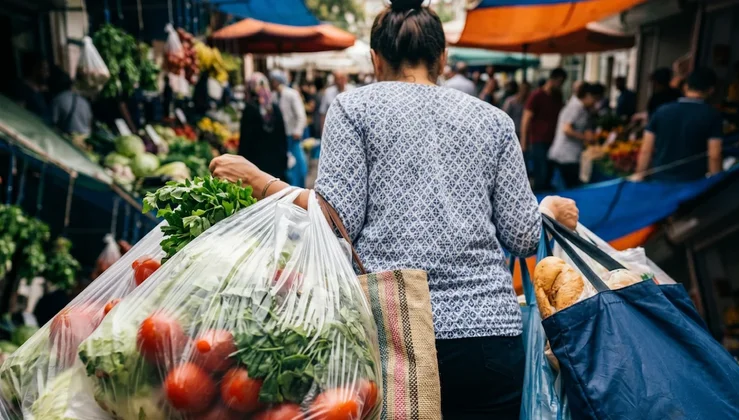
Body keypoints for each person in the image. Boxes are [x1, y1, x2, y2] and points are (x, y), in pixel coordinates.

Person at [209, 1, 579, 417]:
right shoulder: (493, 120)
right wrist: (544, 206)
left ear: (374, 58)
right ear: (443, 58)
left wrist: (262, 182)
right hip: (491, 342)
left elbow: (336, 222)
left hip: (396, 337)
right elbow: (524, 236)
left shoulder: (354, 108)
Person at [635, 68, 723, 182]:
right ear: (711, 90)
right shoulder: (712, 115)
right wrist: (715, 182)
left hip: (660, 181)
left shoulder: (662, 111)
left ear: (685, 87)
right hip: (692, 185)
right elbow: (715, 155)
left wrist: (639, 176)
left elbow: (646, 150)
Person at [548, 83, 604, 189]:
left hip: (570, 155)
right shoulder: (575, 107)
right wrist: (585, 138)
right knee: (570, 187)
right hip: (566, 155)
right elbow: (567, 129)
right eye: (595, 99)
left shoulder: (582, 108)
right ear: (588, 95)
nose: (595, 103)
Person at [520, 68, 567, 191]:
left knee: (549, 174)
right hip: (538, 140)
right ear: (552, 80)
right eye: (559, 82)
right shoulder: (537, 95)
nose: (560, 85)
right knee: (541, 172)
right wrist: (524, 143)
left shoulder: (558, 97)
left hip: (554, 140)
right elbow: (526, 119)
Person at [238, 73, 288, 179]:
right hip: (276, 165)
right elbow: (282, 136)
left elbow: (245, 140)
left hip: (256, 167)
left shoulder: (249, 109)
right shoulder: (274, 108)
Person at [270, 70, 308, 187]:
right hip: (280, 136)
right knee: (286, 165)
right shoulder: (273, 96)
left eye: (274, 81)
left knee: (297, 165)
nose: (273, 83)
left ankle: (299, 188)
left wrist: (298, 131)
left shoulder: (291, 94)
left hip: (292, 135)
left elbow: (301, 115)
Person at [50, 68, 93, 136]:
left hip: (67, 138)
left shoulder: (59, 99)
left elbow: (52, 122)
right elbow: (89, 126)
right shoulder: (85, 104)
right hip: (83, 141)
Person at [10, 53, 51, 124]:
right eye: (44, 70)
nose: (47, 74)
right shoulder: (22, 88)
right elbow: (19, 113)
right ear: (35, 69)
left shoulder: (42, 89)